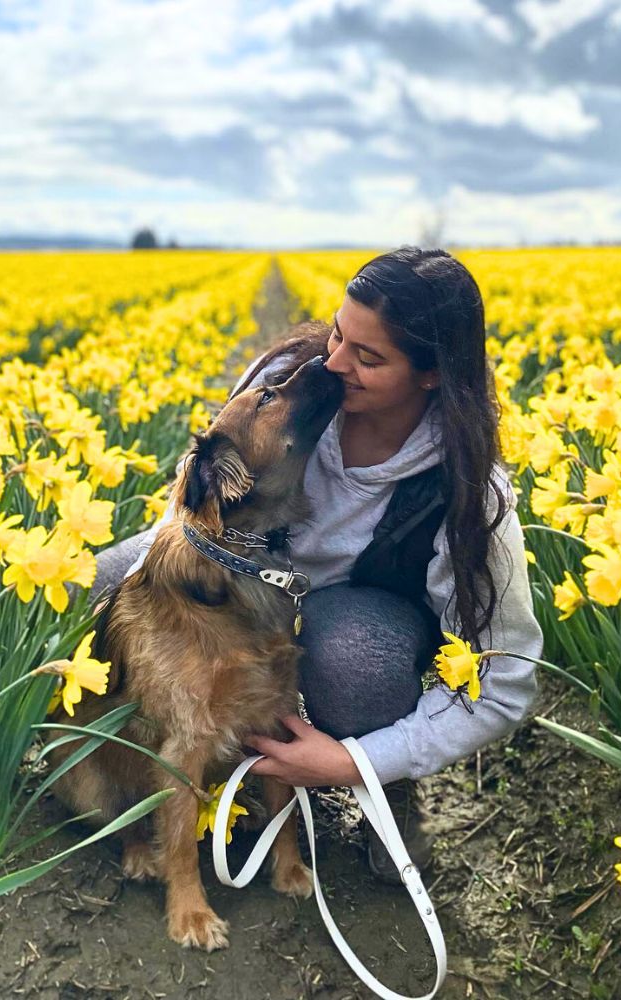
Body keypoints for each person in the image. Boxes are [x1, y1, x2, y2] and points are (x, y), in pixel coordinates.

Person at [91, 246, 543, 881]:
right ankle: (165, 785)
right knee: (99, 588)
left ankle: (383, 795)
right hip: (244, 583)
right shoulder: (288, 376)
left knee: (354, 655)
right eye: (337, 332)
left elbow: (505, 685)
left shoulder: (469, 492)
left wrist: (354, 763)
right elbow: (206, 498)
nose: (332, 364)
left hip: (353, 614)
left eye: (369, 357)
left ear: (433, 374)